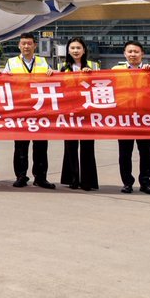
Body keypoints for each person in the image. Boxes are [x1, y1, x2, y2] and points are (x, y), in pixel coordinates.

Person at [3, 32, 56, 189]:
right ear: (19, 45)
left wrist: (52, 73)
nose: (26, 46)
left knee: (41, 146)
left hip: (39, 110)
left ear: (35, 45)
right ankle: (21, 176)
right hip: (20, 110)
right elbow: (2, 82)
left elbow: (53, 79)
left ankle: (40, 177)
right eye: (23, 43)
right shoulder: (11, 63)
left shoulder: (43, 62)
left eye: (29, 43)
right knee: (21, 146)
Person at [111, 40, 150, 194]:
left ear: (142, 54)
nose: (133, 54)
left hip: (144, 118)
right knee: (125, 153)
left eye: (136, 51)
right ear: (124, 54)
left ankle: (145, 183)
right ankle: (127, 183)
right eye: (130, 51)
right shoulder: (116, 70)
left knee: (146, 153)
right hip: (125, 118)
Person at [59, 36, 100, 192]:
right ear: (68, 50)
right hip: (69, 113)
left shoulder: (94, 66)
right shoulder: (62, 68)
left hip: (87, 112)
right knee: (70, 147)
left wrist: (91, 75)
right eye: (72, 48)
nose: (75, 51)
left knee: (87, 146)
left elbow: (101, 84)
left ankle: (88, 181)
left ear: (84, 50)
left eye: (78, 48)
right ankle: (73, 179)